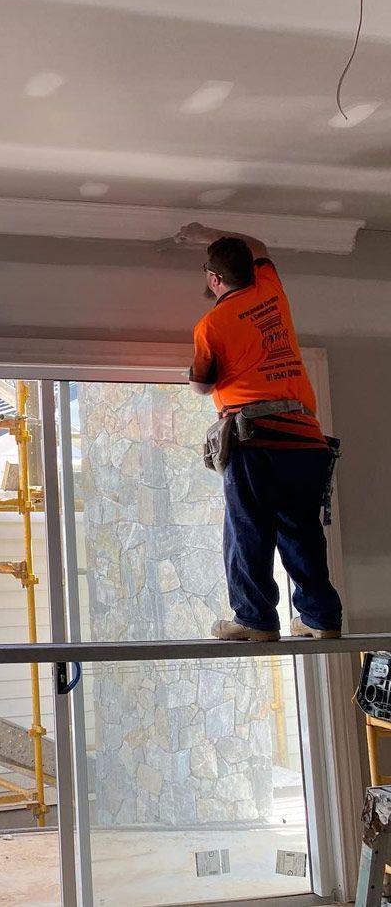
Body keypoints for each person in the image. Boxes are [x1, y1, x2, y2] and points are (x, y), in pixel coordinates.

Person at [177, 221, 342, 642]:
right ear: (250, 268)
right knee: (300, 531)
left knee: (248, 529)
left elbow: (200, 385)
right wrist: (206, 233)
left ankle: (255, 619)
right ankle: (321, 619)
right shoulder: (271, 289)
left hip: (258, 440)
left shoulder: (211, 326)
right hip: (307, 440)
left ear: (214, 279)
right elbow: (260, 244)